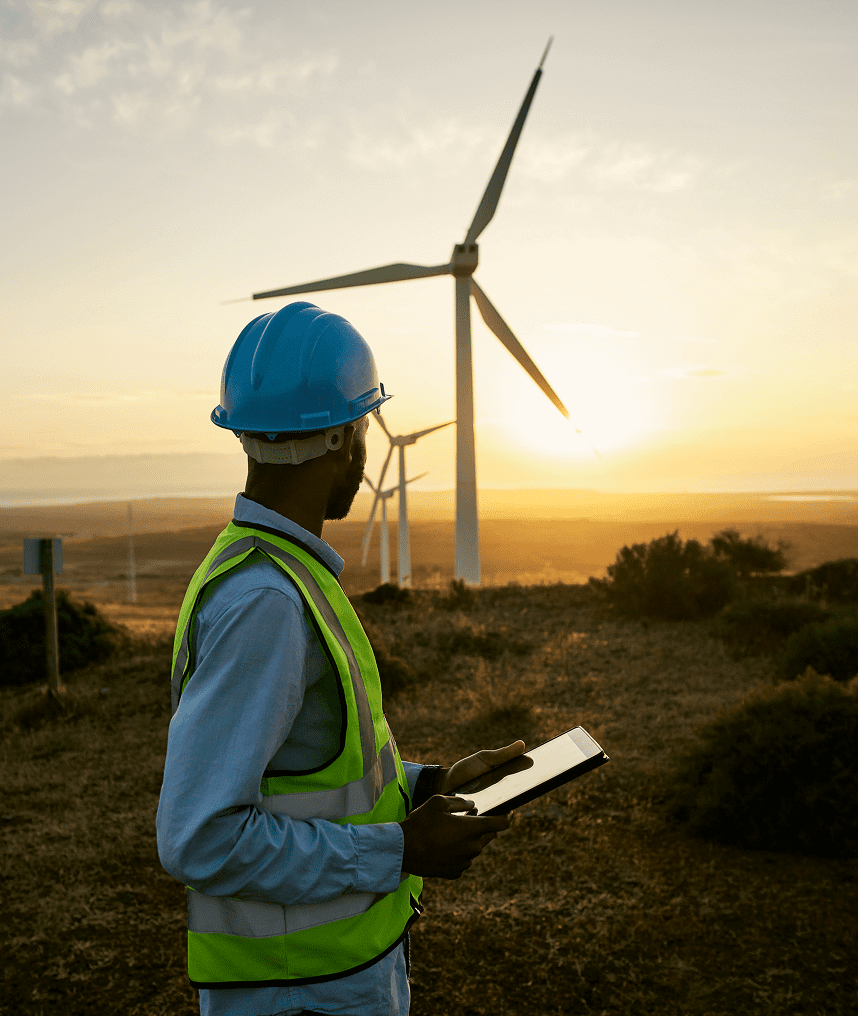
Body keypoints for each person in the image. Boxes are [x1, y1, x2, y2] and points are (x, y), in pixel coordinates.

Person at [157, 301, 524, 1016]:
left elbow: (305, 771)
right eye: (361, 427)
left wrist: (428, 784)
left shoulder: (278, 574)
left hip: (325, 979)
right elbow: (200, 838)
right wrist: (399, 852)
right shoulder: (267, 602)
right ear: (343, 440)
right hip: (298, 995)